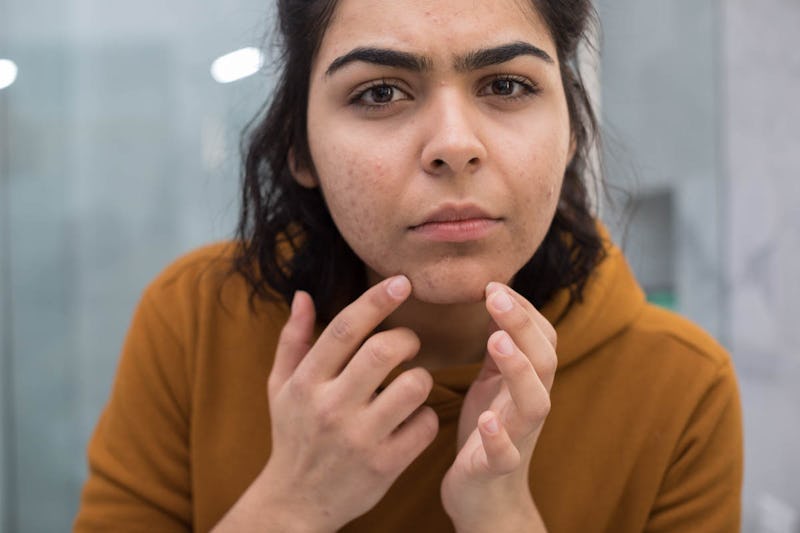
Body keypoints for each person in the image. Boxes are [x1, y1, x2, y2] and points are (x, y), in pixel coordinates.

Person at [73, 0, 743, 531]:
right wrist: (291, 504)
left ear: (571, 130)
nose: (454, 145)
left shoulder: (682, 385)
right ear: (299, 145)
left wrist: (503, 516)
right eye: (380, 93)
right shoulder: (193, 321)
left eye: (507, 84)